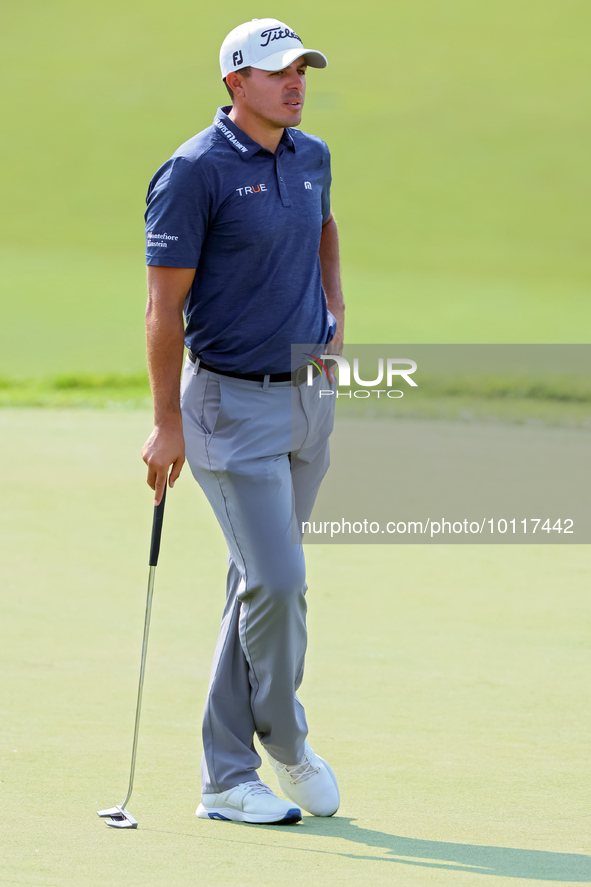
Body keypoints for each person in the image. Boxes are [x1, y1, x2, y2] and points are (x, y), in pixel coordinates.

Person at [141, 17, 345, 825]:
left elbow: (323, 229)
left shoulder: (312, 155)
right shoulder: (193, 171)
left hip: (304, 400)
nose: (293, 83)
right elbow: (163, 309)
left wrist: (334, 312)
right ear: (235, 82)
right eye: (275, 72)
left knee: (253, 583)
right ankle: (283, 742)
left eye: (300, 70)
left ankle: (227, 774)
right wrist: (167, 423)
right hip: (227, 406)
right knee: (280, 582)